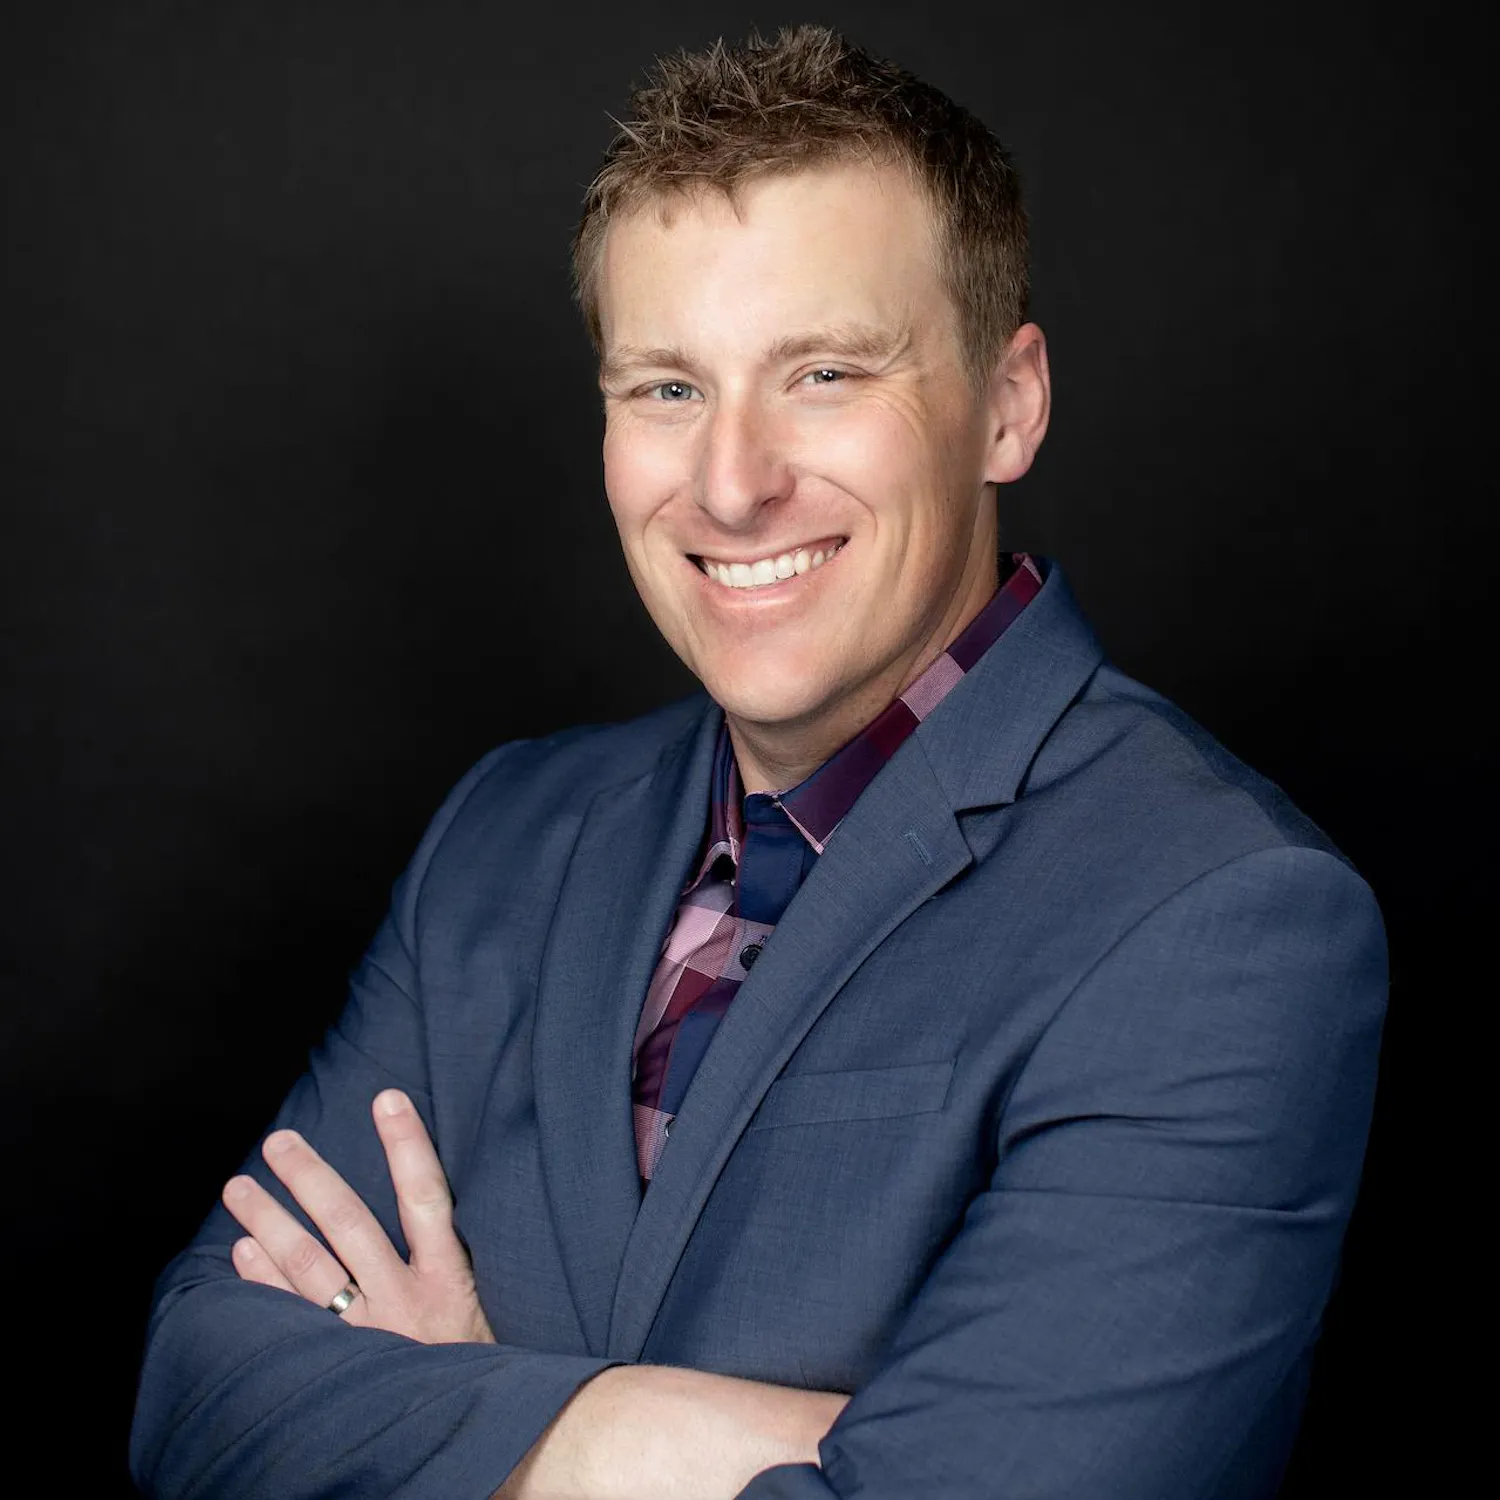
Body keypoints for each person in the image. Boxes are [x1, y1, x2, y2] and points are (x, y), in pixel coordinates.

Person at [129, 25, 1387, 1500]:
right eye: (667, 388)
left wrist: (456, 1415)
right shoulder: (503, 834)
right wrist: (643, 1435)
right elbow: (193, 1394)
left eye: (827, 373)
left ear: (1008, 404)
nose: (732, 483)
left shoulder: (1225, 921)